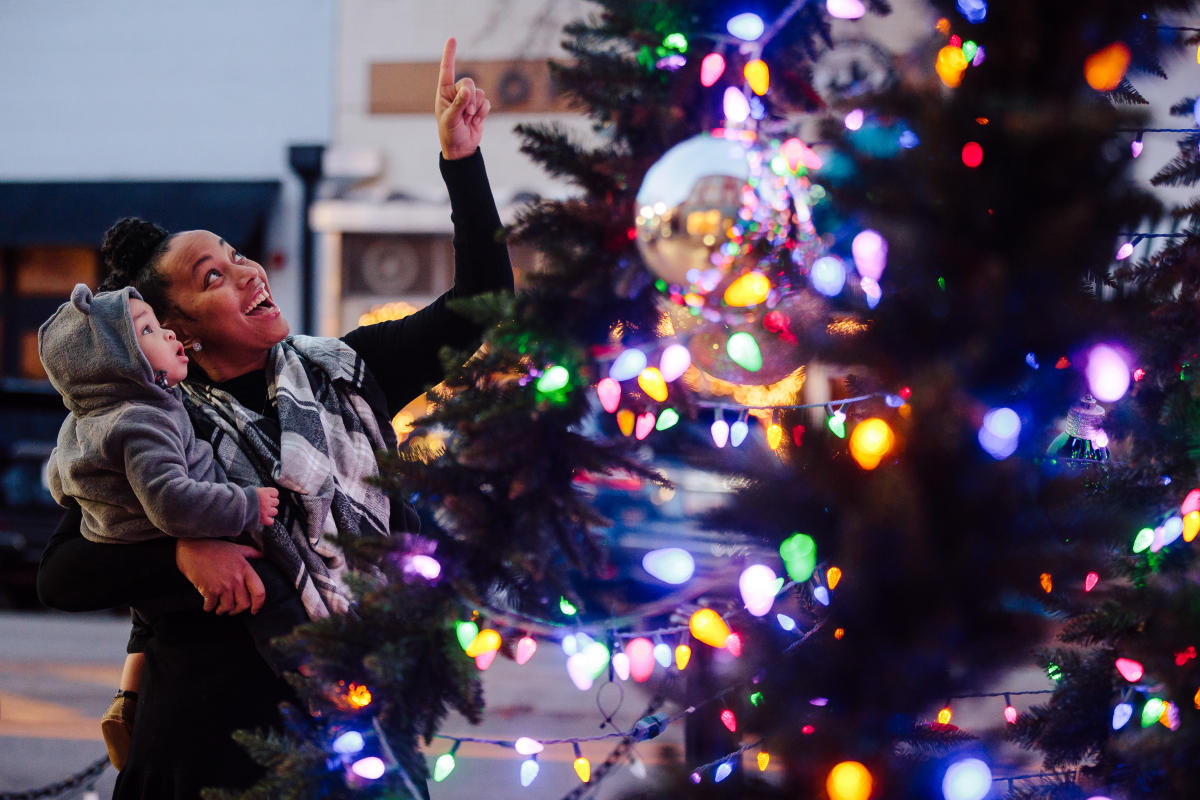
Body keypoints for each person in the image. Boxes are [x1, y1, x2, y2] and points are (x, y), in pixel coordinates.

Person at [36, 37, 510, 799]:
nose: (248, 272)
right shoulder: (142, 419)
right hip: (200, 757)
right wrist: (181, 553)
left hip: (351, 740)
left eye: (236, 255)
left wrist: (462, 161)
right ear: (177, 332)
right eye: (213, 276)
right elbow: (60, 575)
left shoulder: (345, 375)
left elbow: (483, 304)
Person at [38, 284, 294, 770]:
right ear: (123, 365)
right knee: (273, 594)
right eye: (150, 331)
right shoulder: (143, 419)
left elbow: (60, 474)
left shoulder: (93, 417)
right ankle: (314, 671)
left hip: (195, 705)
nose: (171, 334)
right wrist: (242, 506)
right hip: (202, 720)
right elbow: (171, 502)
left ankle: (127, 698)